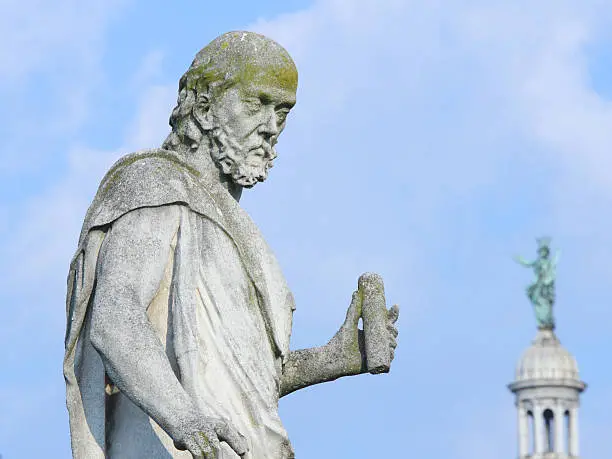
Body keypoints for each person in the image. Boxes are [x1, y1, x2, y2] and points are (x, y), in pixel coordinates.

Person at [63, 31, 399, 459]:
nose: (271, 127)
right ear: (203, 107)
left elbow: (239, 388)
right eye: (257, 103)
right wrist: (183, 416)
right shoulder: (154, 184)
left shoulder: (241, 230)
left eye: (283, 111)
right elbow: (115, 316)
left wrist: (331, 359)